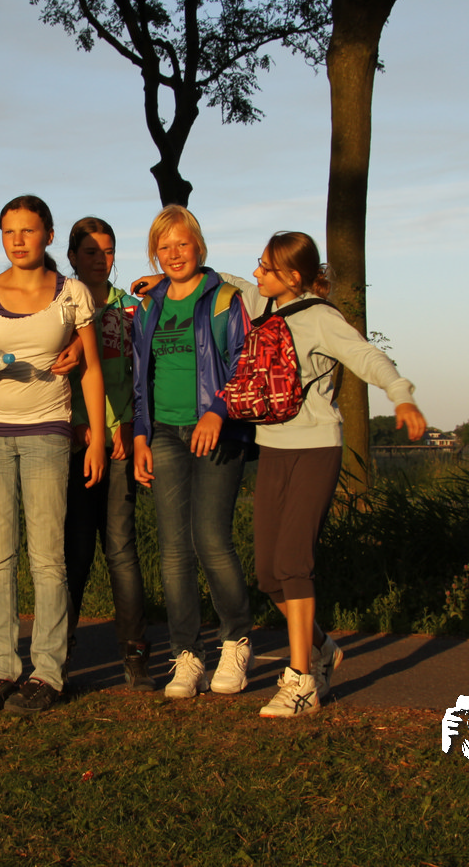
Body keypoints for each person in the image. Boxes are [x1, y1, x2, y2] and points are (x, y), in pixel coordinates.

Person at [229, 231, 425, 717]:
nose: (257, 273)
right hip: (272, 448)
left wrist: (401, 395)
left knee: (293, 564)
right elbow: (229, 283)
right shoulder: (264, 304)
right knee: (269, 574)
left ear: (293, 276)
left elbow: (366, 356)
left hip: (315, 449)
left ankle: (301, 682)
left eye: (266, 267)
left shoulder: (320, 318)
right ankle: (320, 646)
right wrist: (166, 279)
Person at [0, 195, 106, 715]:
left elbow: (91, 368)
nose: (18, 240)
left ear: (48, 235)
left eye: (28, 230)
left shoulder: (73, 294)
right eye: (9, 231)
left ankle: (48, 672)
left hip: (48, 432)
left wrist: (97, 437)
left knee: (47, 558)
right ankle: (1, 670)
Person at [130, 205, 256, 700]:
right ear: (154, 254)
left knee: (211, 540)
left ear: (198, 246)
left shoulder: (224, 299)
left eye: (182, 244)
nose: (174, 253)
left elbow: (244, 362)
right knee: (173, 550)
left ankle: (235, 641)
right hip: (163, 433)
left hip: (216, 432)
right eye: (164, 247)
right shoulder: (148, 306)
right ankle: (187, 655)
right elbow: (140, 377)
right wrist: (140, 436)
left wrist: (217, 411)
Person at [61, 216, 154, 690]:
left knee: (120, 548)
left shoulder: (132, 309)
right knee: (74, 552)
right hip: (73, 442)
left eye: (108, 250)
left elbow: (142, 376)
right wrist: (77, 428)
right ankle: (58, 654)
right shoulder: (58, 306)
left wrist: (130, 428)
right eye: (90, 251)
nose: (101, 260)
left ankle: (134, 654)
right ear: (72, 257)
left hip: (120, 443)